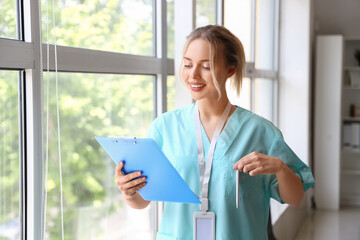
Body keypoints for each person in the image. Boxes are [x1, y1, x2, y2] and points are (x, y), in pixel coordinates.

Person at [114, 25, 315, 240]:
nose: (193, 75)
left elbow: (295, 198)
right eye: (188, 64)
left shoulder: (261, 132)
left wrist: (281, 169)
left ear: (230, 70)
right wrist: (129, 191)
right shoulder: (164, 127)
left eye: (206, 67)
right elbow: (143, 201)